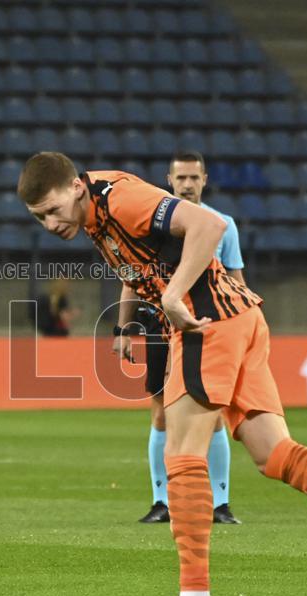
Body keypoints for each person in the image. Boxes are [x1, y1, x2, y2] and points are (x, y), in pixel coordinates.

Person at [17, 152, 307, 596]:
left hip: (204, 322)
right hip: (239, 318)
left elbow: (208, 225)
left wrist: (172, 296)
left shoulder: (120, 197)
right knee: (275, 455)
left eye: (52, 210)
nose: (49, 223)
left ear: (76, 188)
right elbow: (136, 266)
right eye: (39, 217)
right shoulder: (95, 216)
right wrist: (126, 322)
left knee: (182, 454)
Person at [113, 152, 243, 525]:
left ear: (205, 180)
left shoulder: (223, 226)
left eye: (194, 178)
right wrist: (123, 329)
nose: (187, 184)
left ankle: (220, 504)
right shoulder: (151, 226)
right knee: (160, 413)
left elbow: (237, 282)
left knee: (213, 413)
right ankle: (162, 502)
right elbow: (131, 281)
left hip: (207, 326)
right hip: (157, 323)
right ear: (169, 180)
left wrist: (242, 326)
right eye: (181, 178)